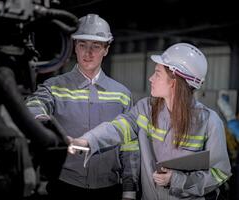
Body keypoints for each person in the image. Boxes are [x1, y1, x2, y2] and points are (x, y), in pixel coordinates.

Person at [71, 42, 232, 200]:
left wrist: (176, 180)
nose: (151, 78)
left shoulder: (209, 122)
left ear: (174, 82)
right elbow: (118, 128)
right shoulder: (145, 110)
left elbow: (219, 173)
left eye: (157, 73)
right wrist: (88, 141)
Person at [25, 14, 140, 200]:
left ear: (106, 49)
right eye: (82, 45)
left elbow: (130, 146)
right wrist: (46, 126)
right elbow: (34, 106)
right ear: (74, 48)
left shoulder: (122, 94)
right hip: (65, 186)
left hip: (109, 188)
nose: (89, 52)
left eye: (96, 46)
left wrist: (129, 188)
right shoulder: (54, 87)